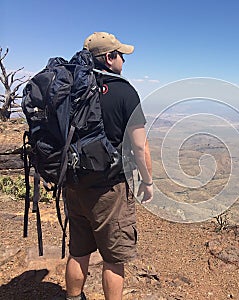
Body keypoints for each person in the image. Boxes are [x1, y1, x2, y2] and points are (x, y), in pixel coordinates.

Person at [64, 32, 153, 300]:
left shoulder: (70, 88)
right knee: (113, 258)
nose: (124, 61)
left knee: (79, 252)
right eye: (121, 55)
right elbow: (140, 146)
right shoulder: (124, 92)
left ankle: (72, 298)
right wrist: (148, 182)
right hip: (109, 189)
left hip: (74, 184)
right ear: (108, 57)